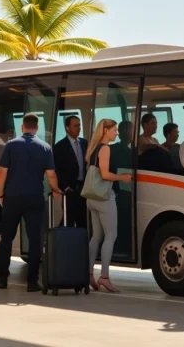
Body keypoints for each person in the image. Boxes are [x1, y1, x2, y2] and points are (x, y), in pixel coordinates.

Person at [0, 113, 62, 291]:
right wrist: (55, 190)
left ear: (22, 127)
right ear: (37, 128)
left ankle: (2, 278)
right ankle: (32, 281)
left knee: (6, 238)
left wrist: (1, 193)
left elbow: (2, 173)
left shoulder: (11, 145)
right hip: (34, 198)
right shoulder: (45, 147)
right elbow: (51, 175)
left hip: (12, 198)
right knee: (34, 239)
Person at [85, 119, 133, 293]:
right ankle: (104, 277)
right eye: (114, 130)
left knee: (96, 237)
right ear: (106, 130)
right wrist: (123, 178)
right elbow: (105, 174)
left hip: (91, 198)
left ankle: (89, 273)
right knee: (111, 236)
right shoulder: (105, 148)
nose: (117, 133)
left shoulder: (93, 147)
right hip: (104, 197)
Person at [54, 115, 88, 228]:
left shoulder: (84, 143)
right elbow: (56, 169)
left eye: (79, 125)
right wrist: (65, 186)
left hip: (84, 188)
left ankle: (81, 244)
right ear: (67, 128)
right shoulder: (60, 146)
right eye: (75, 126)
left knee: (83, 221)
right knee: (68, 219)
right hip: (70, 190)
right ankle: (62, 244)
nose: (79, 128)